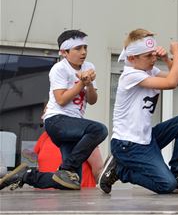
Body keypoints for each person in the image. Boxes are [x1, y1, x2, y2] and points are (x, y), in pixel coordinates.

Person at [97, 29, 178, 195]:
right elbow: (170, 82)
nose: (154, 59)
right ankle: (120, 170)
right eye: (148, 56)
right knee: (166, 185)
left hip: (147, 139)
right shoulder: (130, 75)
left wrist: (167, 59)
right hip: (128, 145)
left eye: (154, 54)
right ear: (132, 58)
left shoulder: (149, 70)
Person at [0, 30, 108, 191]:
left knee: (71, 182)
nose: (83, 52)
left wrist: (90, 83)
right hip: (57, 121)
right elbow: (61, 100)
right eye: (78, 48)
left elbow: (92, 100)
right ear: (64, 52)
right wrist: (81, 83)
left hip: (73, 124)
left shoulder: (88, 67)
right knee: (99, 130)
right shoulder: (59, 68)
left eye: (85, 47)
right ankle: (66, 168)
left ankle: (25, 176)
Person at [34, 131, 103, 188]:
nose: (42, 117)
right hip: (44, 198)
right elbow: (40, 165)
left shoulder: (83, 134)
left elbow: (98, 171)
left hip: (78, 199)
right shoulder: (45, 135)